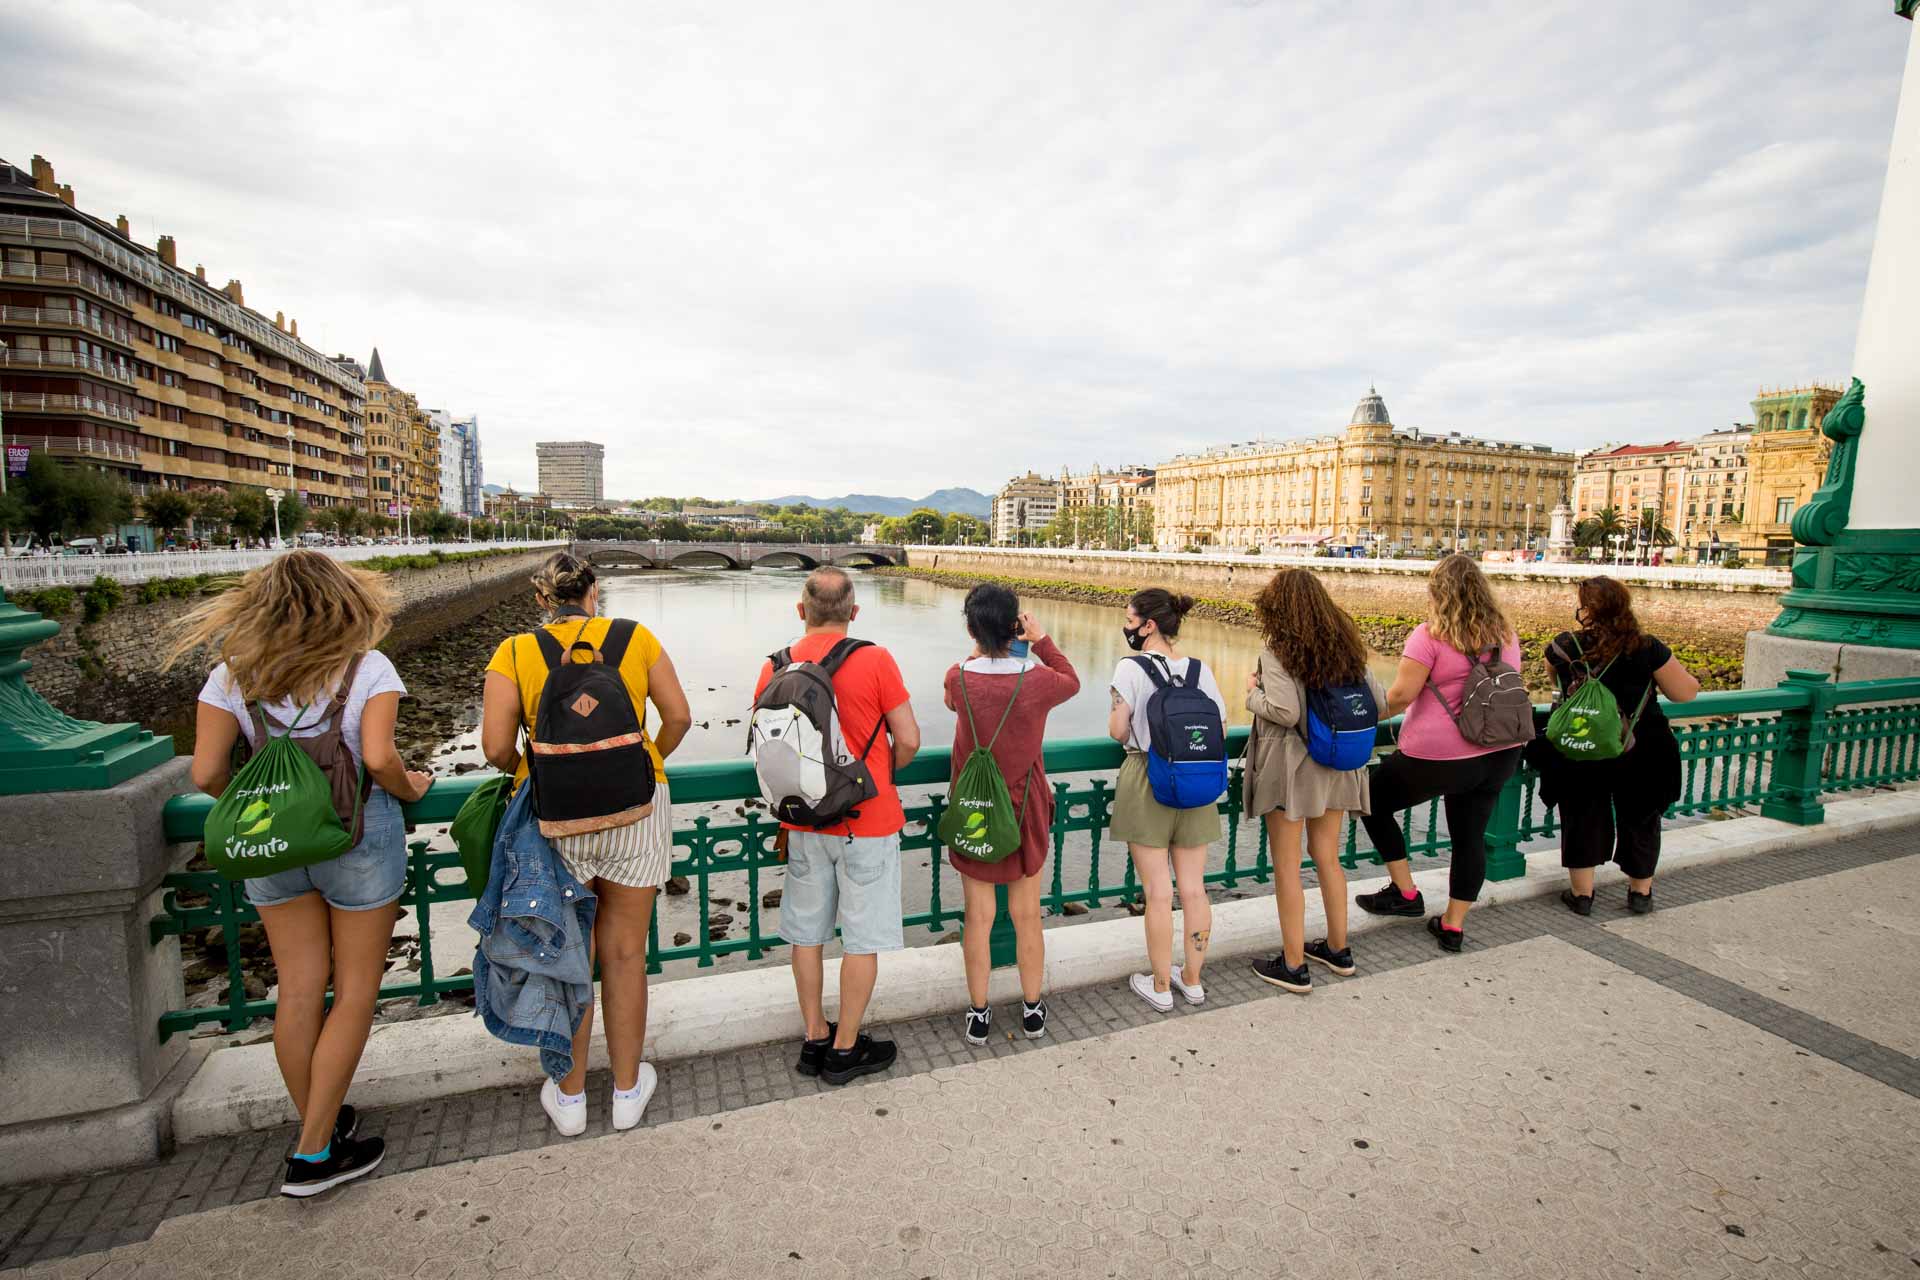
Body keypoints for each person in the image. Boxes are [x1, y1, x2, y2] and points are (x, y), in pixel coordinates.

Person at [171, 550, 432, 1197]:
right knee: (355, 993)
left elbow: (206, 773)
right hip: (357, 837)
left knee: (297, 990)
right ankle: (314, 1154)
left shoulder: (232, 675)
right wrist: (415, 786)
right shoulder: (367, 668)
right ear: (345, 602)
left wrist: (263, 804)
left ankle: (322, 1121)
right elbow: (380, 760)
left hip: (274, 845)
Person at [481, 552, 692, 1135]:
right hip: (637, 810)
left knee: (567, 954)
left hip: (555, 815)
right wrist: (644, 762)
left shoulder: (515, 651)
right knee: (625, 953)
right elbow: (678, 717)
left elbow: (495, 747)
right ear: (594, 594)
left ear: (541, 599)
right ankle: (626, 1092)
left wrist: (540, 770)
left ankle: (570, 1097)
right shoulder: (635, 638)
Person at [754, 568, 920, 1085]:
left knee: (806, 935)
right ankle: (846, 1049)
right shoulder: (875, 659)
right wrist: (878, 774)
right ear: (854, 612)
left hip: (804, 821)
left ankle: (814, 1037)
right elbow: (909, 739)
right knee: (861, 939)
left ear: (800, 610)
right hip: (867, 821)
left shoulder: (774, 665)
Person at [1355, 555, 1527, 952]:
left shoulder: (1429, 635)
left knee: (1371, 799)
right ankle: (1452, 925)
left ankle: (1405, 892)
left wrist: (1358, 715)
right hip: (1500, 750)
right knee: (1470, 837)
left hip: (1441, 756)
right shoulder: (1505, 634)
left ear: (1438, 593)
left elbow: (1401, 696)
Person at [941, 584, 1079, 1044]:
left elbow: (952, 699)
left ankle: (979, 1012)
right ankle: (1032, 1008)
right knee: (1027, 915)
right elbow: (1071, 679)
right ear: (1014, 627)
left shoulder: (958, 677)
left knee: (978, 917)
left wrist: (979, 645)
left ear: (971, 629)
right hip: (1024, 811)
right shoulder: (1037, 680)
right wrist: (1040, 641)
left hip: (976, 810)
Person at [1241, 569, 1387, 993]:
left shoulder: (1278, 652)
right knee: (1327, 857)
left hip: (1293, 770)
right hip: (1340, 763)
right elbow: (1379, 703)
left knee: (1287, 867)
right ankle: (1339, 950)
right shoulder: (1348, 650)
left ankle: (1293, 965)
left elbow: (1285, 711)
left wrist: (1252, 693)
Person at [1536, 576, 1699, 915]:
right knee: (1641, 815)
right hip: (1639, 746)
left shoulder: (1564, 646)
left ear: (1586, 611)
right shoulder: (1647, 647)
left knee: (1581, 814)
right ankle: (1640, 893)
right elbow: (1684, 693)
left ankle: (1582, 896)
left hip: (1582, 743)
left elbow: (1556, 681)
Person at [1106, 588, 1227, 1012]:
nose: (1127, 627)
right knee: (1193, 889)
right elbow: (1219, 727)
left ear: (1149, 625)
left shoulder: (1130, 667)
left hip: (1147, 778)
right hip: (1195, 783)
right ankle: (1191, 980)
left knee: (1158, 892)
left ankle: (1159, 985)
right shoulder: (1199, 670)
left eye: (1130, 620)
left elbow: (1118, 731)